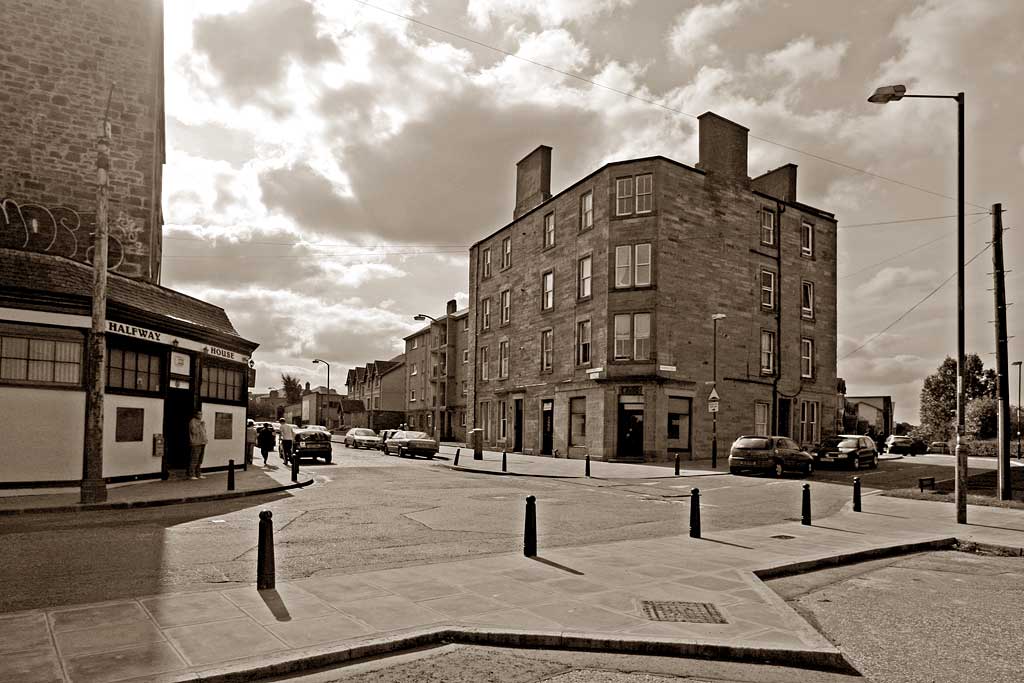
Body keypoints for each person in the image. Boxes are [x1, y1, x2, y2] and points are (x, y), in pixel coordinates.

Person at [188, 410, 207, 479]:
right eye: (199, 414)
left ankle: (198, 474)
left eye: (201, 414)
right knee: (194, 459)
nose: (200, 416)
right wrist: (200, 425)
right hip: (196, 443)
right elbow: (194, 431)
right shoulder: (193, 421)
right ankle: (191, 474)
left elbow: (204, 432)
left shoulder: (201, 423)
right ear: (195, 415)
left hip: (202, 442)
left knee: (200, 459)